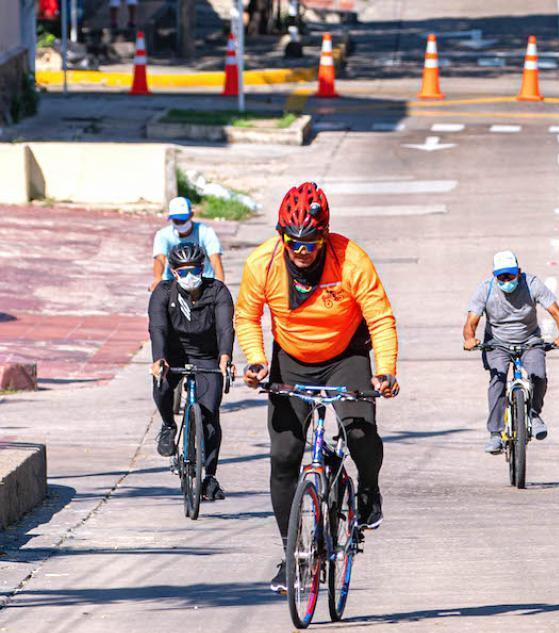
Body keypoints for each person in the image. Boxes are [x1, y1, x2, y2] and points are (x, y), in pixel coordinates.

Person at [234, 182, 400, 593]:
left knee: (359, 431)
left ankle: (368, 489)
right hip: (291, 358)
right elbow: (247, 317)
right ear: (281, 235)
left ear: (325, 235)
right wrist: (255, 360)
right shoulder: (262, 263)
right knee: (284, 455)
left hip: (346, 355)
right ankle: (291, 554)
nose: (301, 249)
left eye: (311, 241)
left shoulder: (351, 260)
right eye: (293, 241)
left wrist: (386, 370)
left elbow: (380, 318)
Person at [148, 242, 234, 501]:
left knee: (209, 415)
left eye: (194, 270)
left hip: (207, 356)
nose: (189, 277)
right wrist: (159, 359)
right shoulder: (163, 293)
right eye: (182, 272)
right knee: (161, 384)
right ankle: (167, 425)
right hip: (173, 354)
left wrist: (225, 357)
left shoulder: (217, 291)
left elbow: (225, 328)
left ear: (202, 268)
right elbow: (158, 328)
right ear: (173, 273)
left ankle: (209, 476)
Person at [462, 251, 559, 454]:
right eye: (501, 276)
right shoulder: (485, 289)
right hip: (496, 344)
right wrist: (469, 339)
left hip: (529, 340)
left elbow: (558, 313)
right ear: (495, 275)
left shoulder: (532, 284)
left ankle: (534, 413)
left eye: (510, 275)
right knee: (497, 381)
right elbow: (471, 323)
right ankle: (495, 434)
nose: (506, 280)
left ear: (519, 272)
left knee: (539, 376)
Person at [150, 197, 226, 293]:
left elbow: (215, 260)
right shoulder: (163, 235)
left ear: (191, 215)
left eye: (183, 220)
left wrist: (220, 285)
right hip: (174, 283)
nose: (180, 224)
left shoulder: (206, 232)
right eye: (176, 221)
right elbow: (160, 259)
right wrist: (157, 278)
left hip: (203, 282)